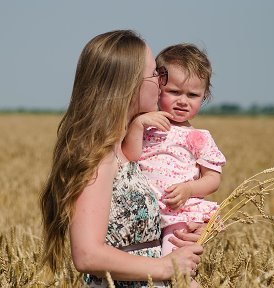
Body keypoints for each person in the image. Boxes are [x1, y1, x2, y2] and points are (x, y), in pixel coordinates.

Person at [40, 30, 204, 288]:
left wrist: (180, 233)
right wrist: (165, 266)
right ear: (128, 83)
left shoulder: (129, 148)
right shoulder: (98, 155)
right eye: (156, 74)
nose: (162, 83)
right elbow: (87, 255)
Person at [123, 43, 226, 258]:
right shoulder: (146, 125)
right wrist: (138, 125)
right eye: (174, 92)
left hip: (177, 215)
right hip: (141, 213)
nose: (182, 101)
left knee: (176, 266)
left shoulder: (199, 137)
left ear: (204, 96)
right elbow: (130, 156)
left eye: (192, 95)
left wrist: (189, 189)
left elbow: (212, 179)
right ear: (158, 87)